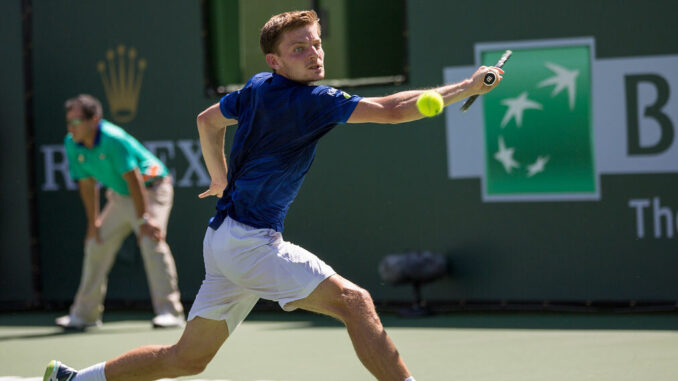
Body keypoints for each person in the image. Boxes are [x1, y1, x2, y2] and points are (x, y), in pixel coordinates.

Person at [44, 10, 503, 381]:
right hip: (249, 243)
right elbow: (393, 109)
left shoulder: (258, 87)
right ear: (275, 60)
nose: (313, 54)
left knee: (186, 359)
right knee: (356, 302)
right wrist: (466, 85)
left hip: (222, 240)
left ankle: (74, 380)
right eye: (298, 49)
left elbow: (207, 121)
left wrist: (219, 177)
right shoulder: (313, 100)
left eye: (316, 44)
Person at [54, 94, 185, 330]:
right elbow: (86, 184)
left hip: (152, 189)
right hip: (122, 196)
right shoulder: (71, 143)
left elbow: (134, 179)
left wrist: (144, 219)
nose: (71, 127)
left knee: (150, 241)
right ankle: (85, 315)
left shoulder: (112, 139)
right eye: (68, 122)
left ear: (93, 120)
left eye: (76, 121)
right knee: (95, 244)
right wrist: (93, 222)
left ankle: (170, 312)